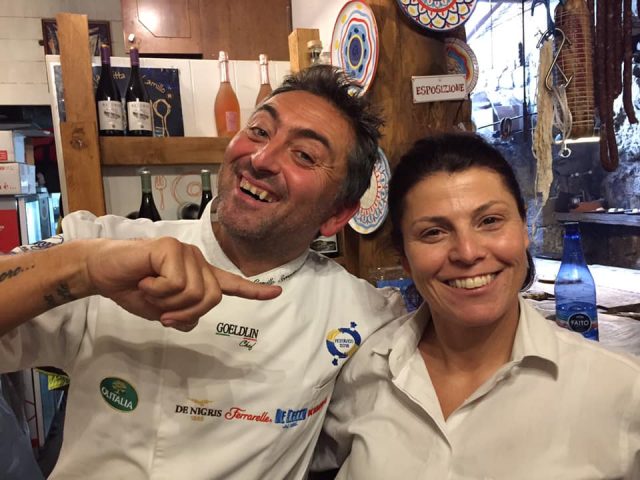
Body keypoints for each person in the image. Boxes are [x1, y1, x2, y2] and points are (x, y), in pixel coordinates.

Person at [0, 65, 405, 479]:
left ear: (337, 215)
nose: (261, 159)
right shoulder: (107, 244)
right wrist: (84, 268)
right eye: (259, 131)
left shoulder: (362, 316)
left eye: (304, 155)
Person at [313, 133, 640, 479]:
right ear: (405, 258)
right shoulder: (359, 372)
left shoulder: (620, 389)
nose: (468, 253)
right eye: (433, 232)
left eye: (490, 221)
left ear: (524, 228)